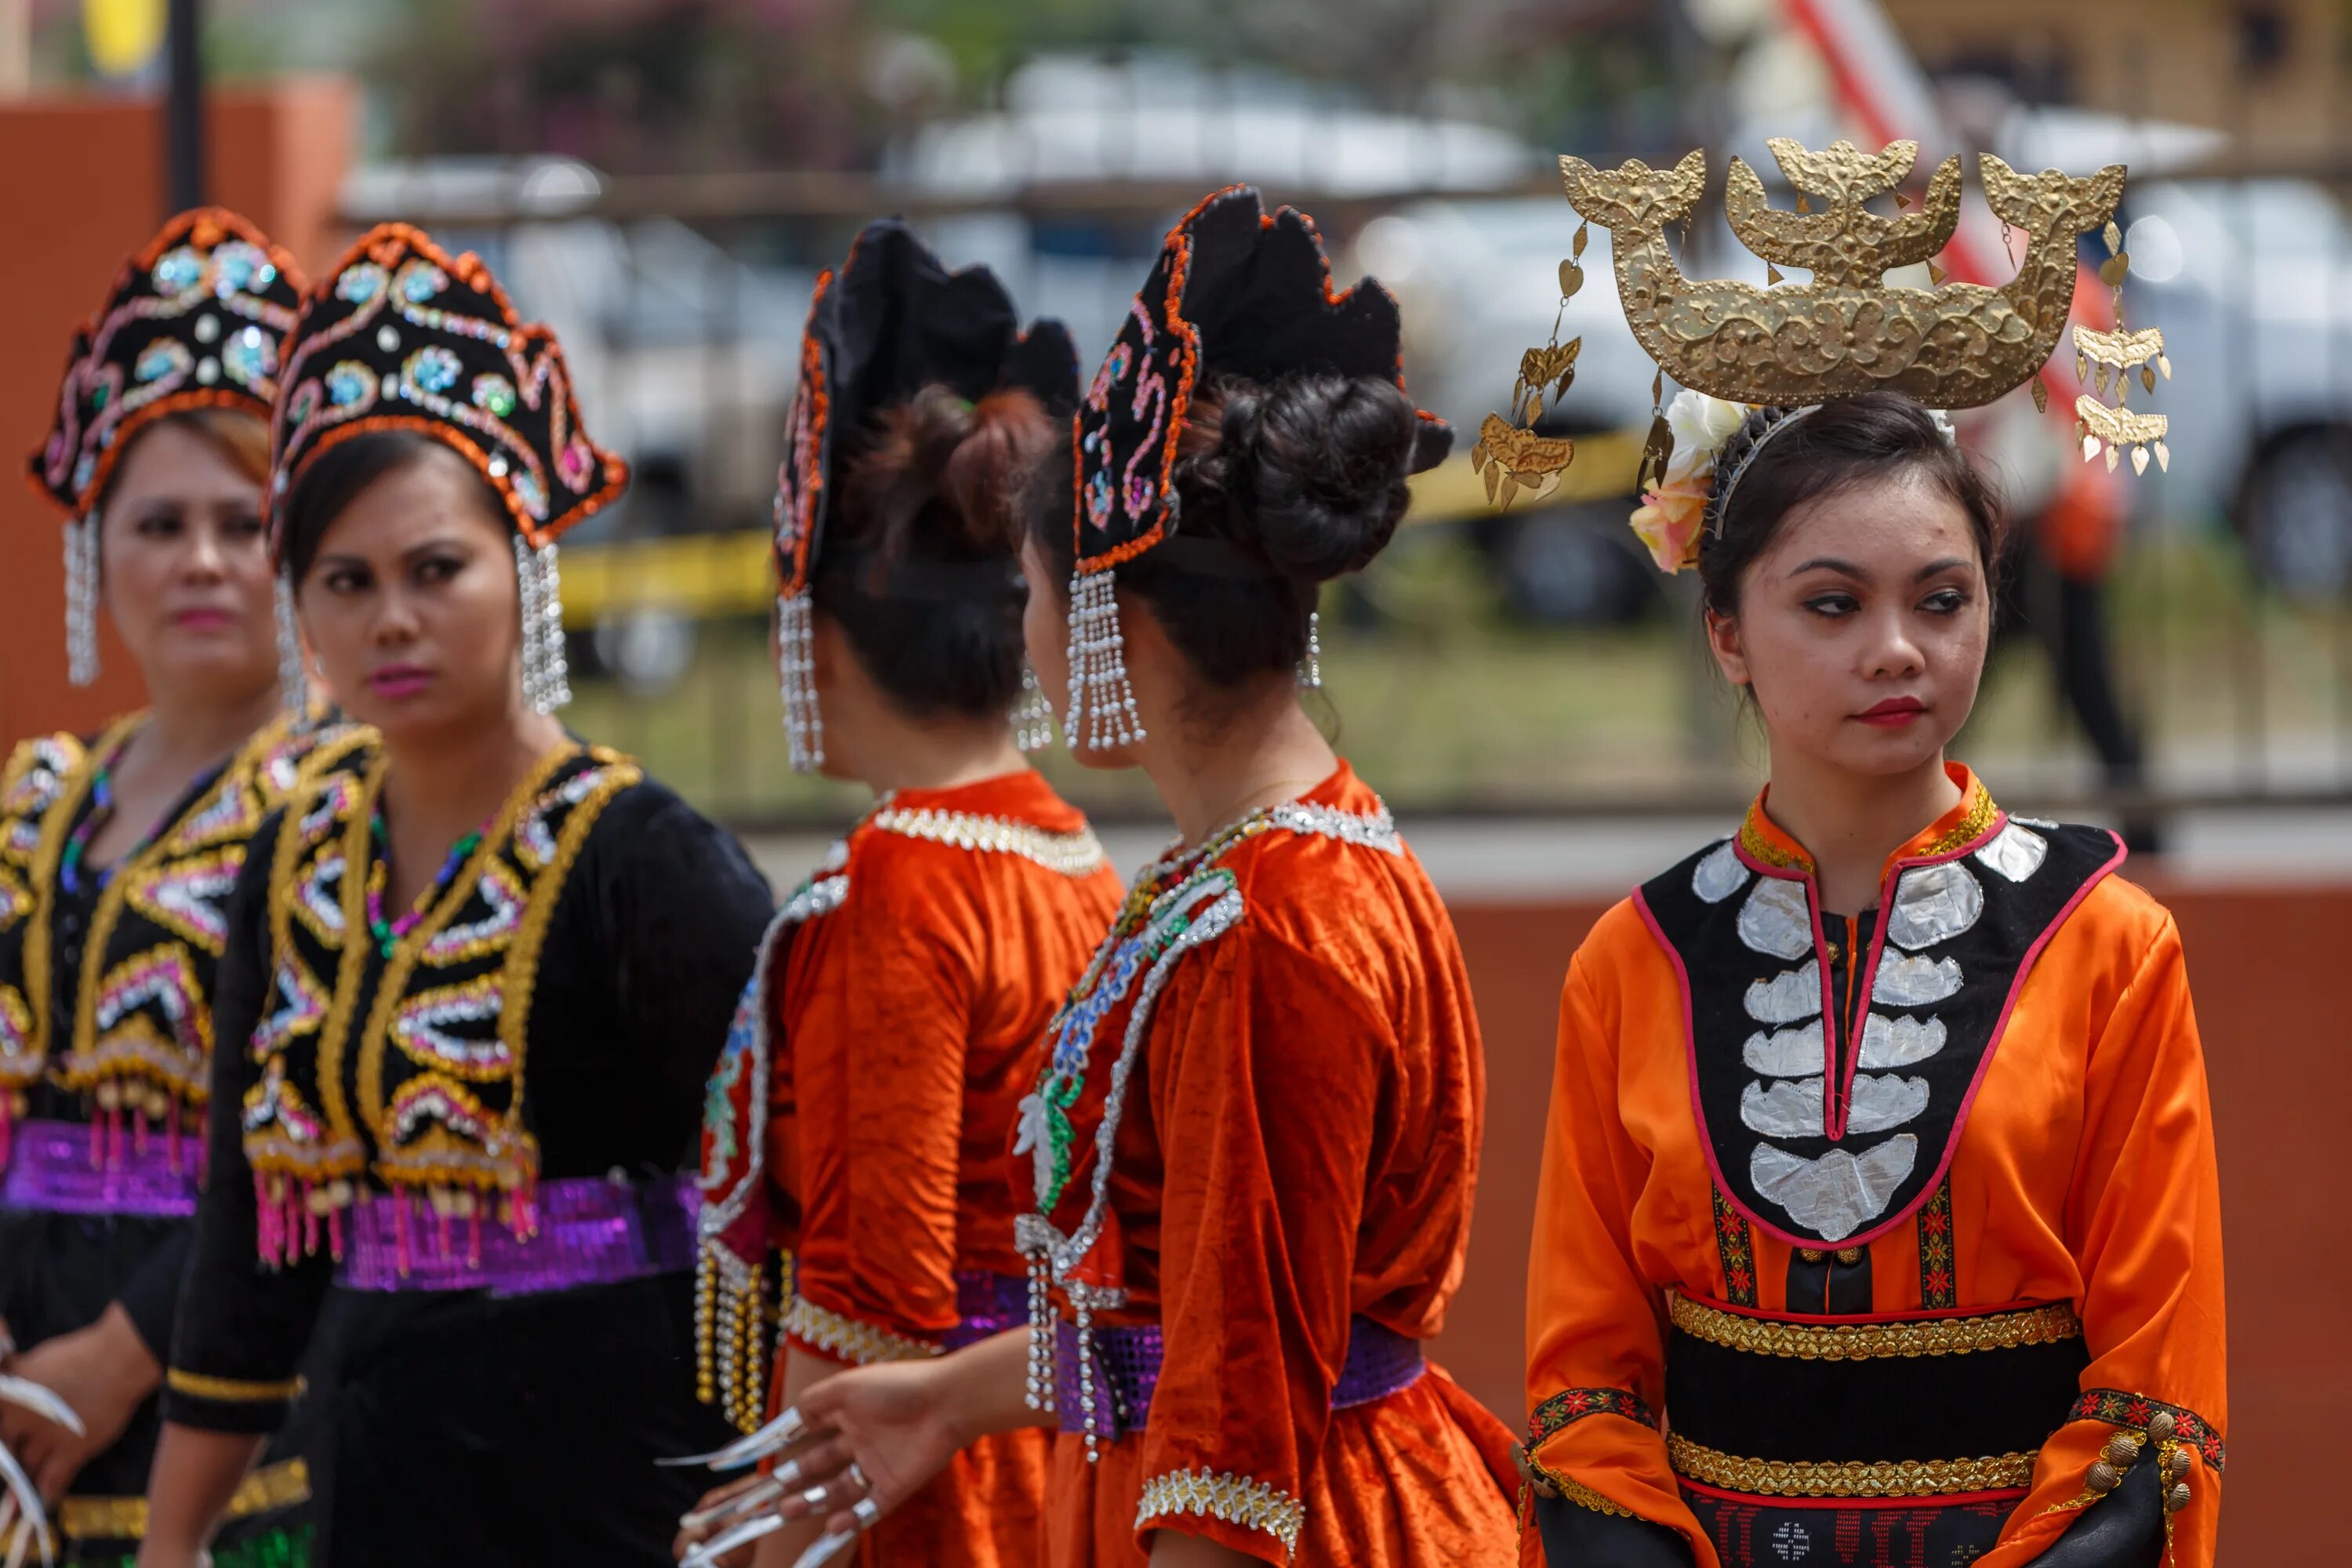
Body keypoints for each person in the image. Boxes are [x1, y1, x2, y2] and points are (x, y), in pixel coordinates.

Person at [688, 186, 1523, 1568]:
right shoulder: (1267, 863)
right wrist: (949, 1403)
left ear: (1104, 611)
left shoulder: (1269, 933)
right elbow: (1166, 1320)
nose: (1021, 632)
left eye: (1031, 592)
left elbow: (1233, 1434)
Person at [1520, 141, 2223, 1568]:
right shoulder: (1631, 961)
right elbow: (1583, 1393)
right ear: (1727, 631)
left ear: (1988, 612)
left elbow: (2158, 1397)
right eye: (1829, 604)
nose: (1896, 650)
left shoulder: (2108, 943)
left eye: (1941, 598)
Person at [137, 222, 775, 1567]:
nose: (392, 622)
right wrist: (172, 1542)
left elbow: (781, 1222)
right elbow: (253, 1243)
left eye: (438, 571)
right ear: (301, 609)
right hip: (377, 1486)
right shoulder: (297, 858)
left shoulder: (647, 866)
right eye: (347, 583)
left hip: (616, 1493)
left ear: (524, 571)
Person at [675, 222, 1123, 1566]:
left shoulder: (897, 886)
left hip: (923, 1499)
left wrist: (763, 1544)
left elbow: (870, 1300)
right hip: (1059, 1465)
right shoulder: (1077, 861)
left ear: (808, 630)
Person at [1, 208, 332, 1567]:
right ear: (96, 555)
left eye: (237, 524)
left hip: (234, 1403)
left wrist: (117, 1358)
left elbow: (306, 1148)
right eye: (157, 524)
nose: (198, 560)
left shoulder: (344, 811)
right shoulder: (30, 796)